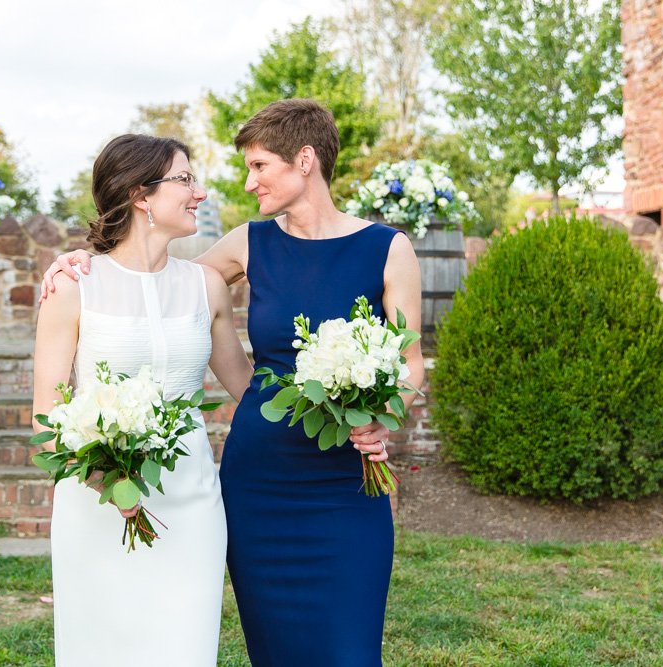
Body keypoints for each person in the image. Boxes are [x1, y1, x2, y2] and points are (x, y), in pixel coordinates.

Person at [41, 99, 425, 666]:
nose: (247, 183)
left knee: (351, 646)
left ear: (304, 159)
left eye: (258, 166)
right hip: (259, 476)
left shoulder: (389, 249)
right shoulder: (249, 242)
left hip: (342, 471)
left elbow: (411, 362)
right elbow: (151, 274)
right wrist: (79, 259)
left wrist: (382, 411)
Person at [31, 134, 254, 667]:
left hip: (192, 499)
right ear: (140, 195)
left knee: (184, 643)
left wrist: (338, 399)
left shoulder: (206, 287)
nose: (199, 192)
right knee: (102, 645)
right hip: (98, 501)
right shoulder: (74, 286)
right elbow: (48, 417)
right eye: (185, 179)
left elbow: (250, 390)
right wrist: (108, 482)